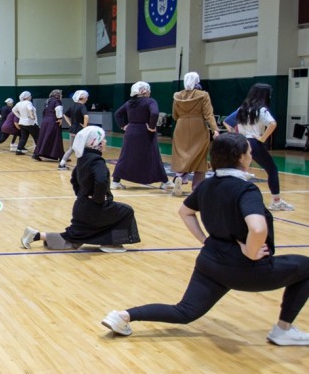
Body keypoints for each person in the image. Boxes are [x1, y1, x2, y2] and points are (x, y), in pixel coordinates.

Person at [101, 133, 309, 346]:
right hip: (245, 269)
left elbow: (185, 212)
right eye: (249, 151)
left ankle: (123, 316)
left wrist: (204, 240)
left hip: (210, 262)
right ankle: (283, 330)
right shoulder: (246, 189)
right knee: (306, 267)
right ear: (239, 157)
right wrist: (251, 251)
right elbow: (257, 228)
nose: (251, 155)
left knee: (184, 311)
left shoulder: (207, 185)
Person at [21, 126, 139, 253]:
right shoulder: (97, 160)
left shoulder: (83, 158)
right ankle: (111, 244)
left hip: (81, 206)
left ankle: (36, 235)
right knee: (126, 211)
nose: (105, 142)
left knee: (72, 239)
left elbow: (74, 179)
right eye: (102, 140)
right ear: (96, 143)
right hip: (95, 209)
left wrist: (82, 195)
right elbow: (101, 181)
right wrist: (98, 199)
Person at [235, 84, 294, 211]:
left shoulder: (241, 108)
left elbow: (232, 124)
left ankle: (234, 199)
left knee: (239, 171)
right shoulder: (261, 110)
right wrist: (262, 138)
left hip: (240, 142)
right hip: (253, 142)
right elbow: (272, 124)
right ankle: (276, 202)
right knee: (272, 169)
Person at [111, 82, 171, 190]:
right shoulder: (150, 101)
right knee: (154, 156)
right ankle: (165, 181)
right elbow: (155, 113)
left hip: (130, 131)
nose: (150, 91)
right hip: (145, 132)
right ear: (143, 90)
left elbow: (117, 114)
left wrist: (123, 126)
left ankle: (115, 181)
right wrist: (152, 126)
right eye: (148, 89)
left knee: (125, 156)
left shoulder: (129, 102)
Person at [171, 72, 219, 197]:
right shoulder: (203, 95)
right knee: (200, 155)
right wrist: (215, 129)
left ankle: (180, 176)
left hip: (181, 126)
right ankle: (197, 188)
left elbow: (174, 115)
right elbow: (208, 114)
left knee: (181, 154)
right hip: (198, 126)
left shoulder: (177, 95)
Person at [59, 90, 89, 170]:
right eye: (86, 97)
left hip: (72, 129)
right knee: (84, 149)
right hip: (80, 130)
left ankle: (61, 164)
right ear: (82, 98)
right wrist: (85, 126)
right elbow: (86, 116)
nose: (87, 99)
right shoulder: (82, 106)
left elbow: (65, 114)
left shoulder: (73, 106)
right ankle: (83, 166)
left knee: (71, 148)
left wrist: (70, 124)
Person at [33, 89, 65, 162]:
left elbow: (44, 111)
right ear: (57, 95)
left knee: (43, 137)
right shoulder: (57, 101)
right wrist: (60, 118)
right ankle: (60, 156)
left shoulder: (47, 101)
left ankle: (37, 154)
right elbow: (58, 108)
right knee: (56, 138)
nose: (61, 96)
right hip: (53, 121)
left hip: (45, 121)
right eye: (60, 94)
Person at [12, 91, 39, 156]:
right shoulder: (28, 102)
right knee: (37, 137)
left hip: (22, 123)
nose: (31, 97)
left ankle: (18, 150)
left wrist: (20, 116)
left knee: (23, 138)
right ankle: (37, 153)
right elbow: (30, 109)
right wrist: (31, 116)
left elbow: (13, 110)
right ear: (27, 97)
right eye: (30, 96)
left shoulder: (19, 103)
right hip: (30, 123)